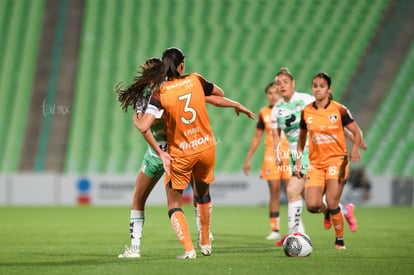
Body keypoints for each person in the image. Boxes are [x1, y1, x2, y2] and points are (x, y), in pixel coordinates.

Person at [115, 56, 253, 258]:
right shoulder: (176, 87)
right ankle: (203, 235)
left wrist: (160, 153)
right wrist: (235, 104)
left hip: (159, 154)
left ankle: (135, 249)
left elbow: (143, 128)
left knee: (140, 199)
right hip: (181, 150)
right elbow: (212, 97)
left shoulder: (148, 96)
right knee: (201, 194)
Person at [270, 68, 362, 246]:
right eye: (278, 84)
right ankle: (342, 210)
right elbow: (275, 136)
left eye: (285, 82)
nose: (281, 86)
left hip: (309, 152)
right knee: (311, 203)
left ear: (293, 84)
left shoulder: (306, 100)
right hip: (294, 153)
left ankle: (294, 234)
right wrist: (277, 153)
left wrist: (354, 138)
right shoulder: (277, 109)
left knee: (291, 191)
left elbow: (328, 119)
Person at [295, 72, 364, 249]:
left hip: (337, 161)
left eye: (322, 86)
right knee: (312, 205)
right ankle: (339, 211)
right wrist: (298, 159)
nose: (318, 89)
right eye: (315, 86)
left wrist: (354, 147)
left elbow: (356, 132)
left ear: (329, 89)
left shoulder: (339, 110)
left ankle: (339, 241)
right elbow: (301, 137)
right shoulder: (306, 111)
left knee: (333, 202)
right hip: (316, 164)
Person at [243, 82, 291, 240]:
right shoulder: (264, 113)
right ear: (267, 95)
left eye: (276, 92)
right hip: (271, 155)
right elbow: (257, 137)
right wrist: (248, 159)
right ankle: (275, 229)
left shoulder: (290, 109)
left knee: (293, 192)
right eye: (270, 93)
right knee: (274, 192)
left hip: (289, 155)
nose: (273, 96)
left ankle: (294, 227)